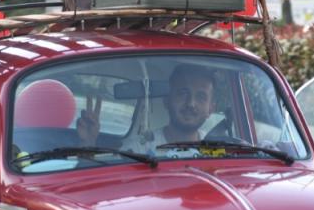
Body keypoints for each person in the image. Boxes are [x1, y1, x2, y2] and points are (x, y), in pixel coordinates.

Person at [76, 63, 219, 155]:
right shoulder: (137, 151)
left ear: (211, 108)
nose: (191, 104)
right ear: (166, 101)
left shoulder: (220, 149)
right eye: (183, 93)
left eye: (201, 97)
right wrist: (88, 143)